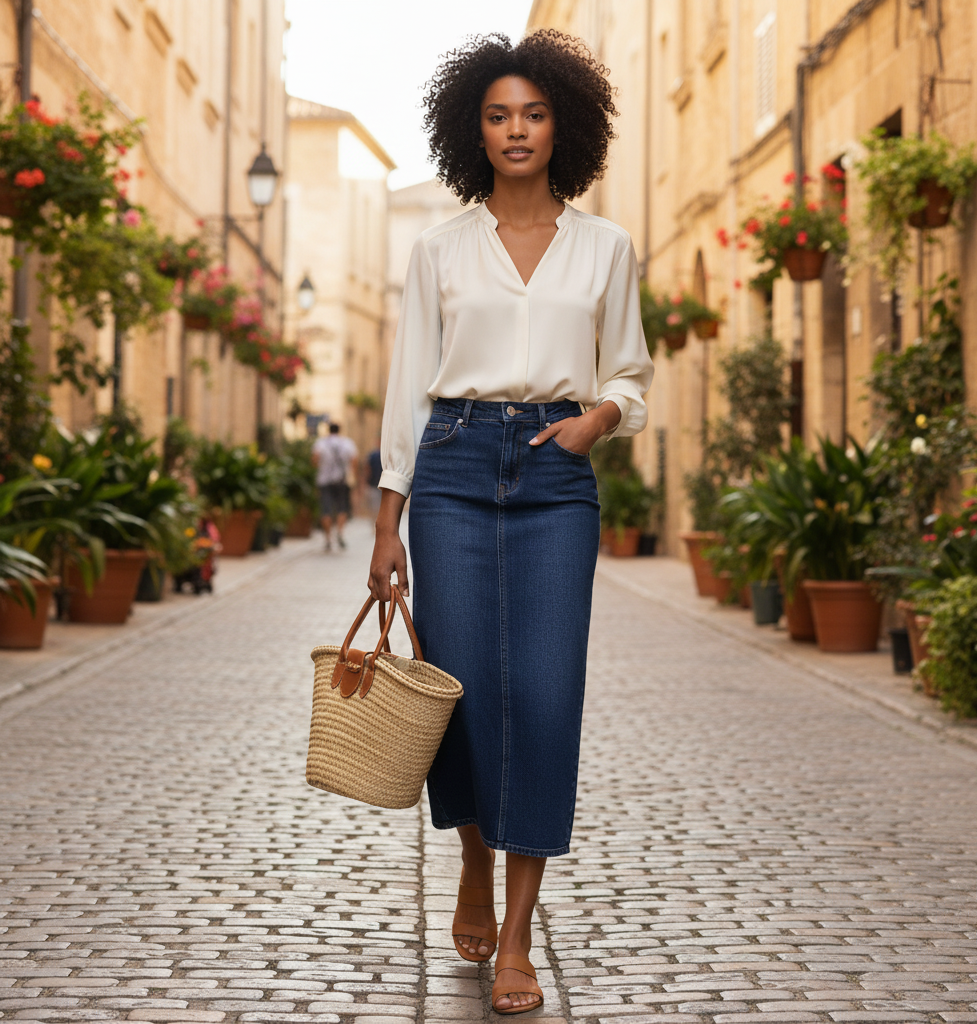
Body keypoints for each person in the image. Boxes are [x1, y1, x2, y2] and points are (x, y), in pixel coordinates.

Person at [368, 31, 653, 1015]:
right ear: (472, 132)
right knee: (461, 691)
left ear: (560, 123)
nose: (516, 129)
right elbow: (408, 388)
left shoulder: (604, 246)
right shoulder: (438, 248)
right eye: (497, 115)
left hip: (553, 479)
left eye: (532, 112)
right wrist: (384, 523)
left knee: (540, 694)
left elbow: (630, 372)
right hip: (449, 469)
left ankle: (519, 941)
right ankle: (472, 866)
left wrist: (600, 419)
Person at [312, 422, 357, 551]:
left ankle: (327, 538)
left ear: (328, 430)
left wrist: (320, 468)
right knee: (342, 508)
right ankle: (340, 533)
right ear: (339, 430)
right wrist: (353, 476)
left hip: (324, 481)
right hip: (341, 481)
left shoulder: (321, 443)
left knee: (325, 509)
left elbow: (315, 459)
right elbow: (353, 460)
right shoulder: (347, 443)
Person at [364, 439, 383, 518]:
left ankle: (375, 521)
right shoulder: (386, 455)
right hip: (385, 484)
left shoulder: (372, 455)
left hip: (374, 483)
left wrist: (366, 481)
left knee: (375, 506)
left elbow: (367, 469)